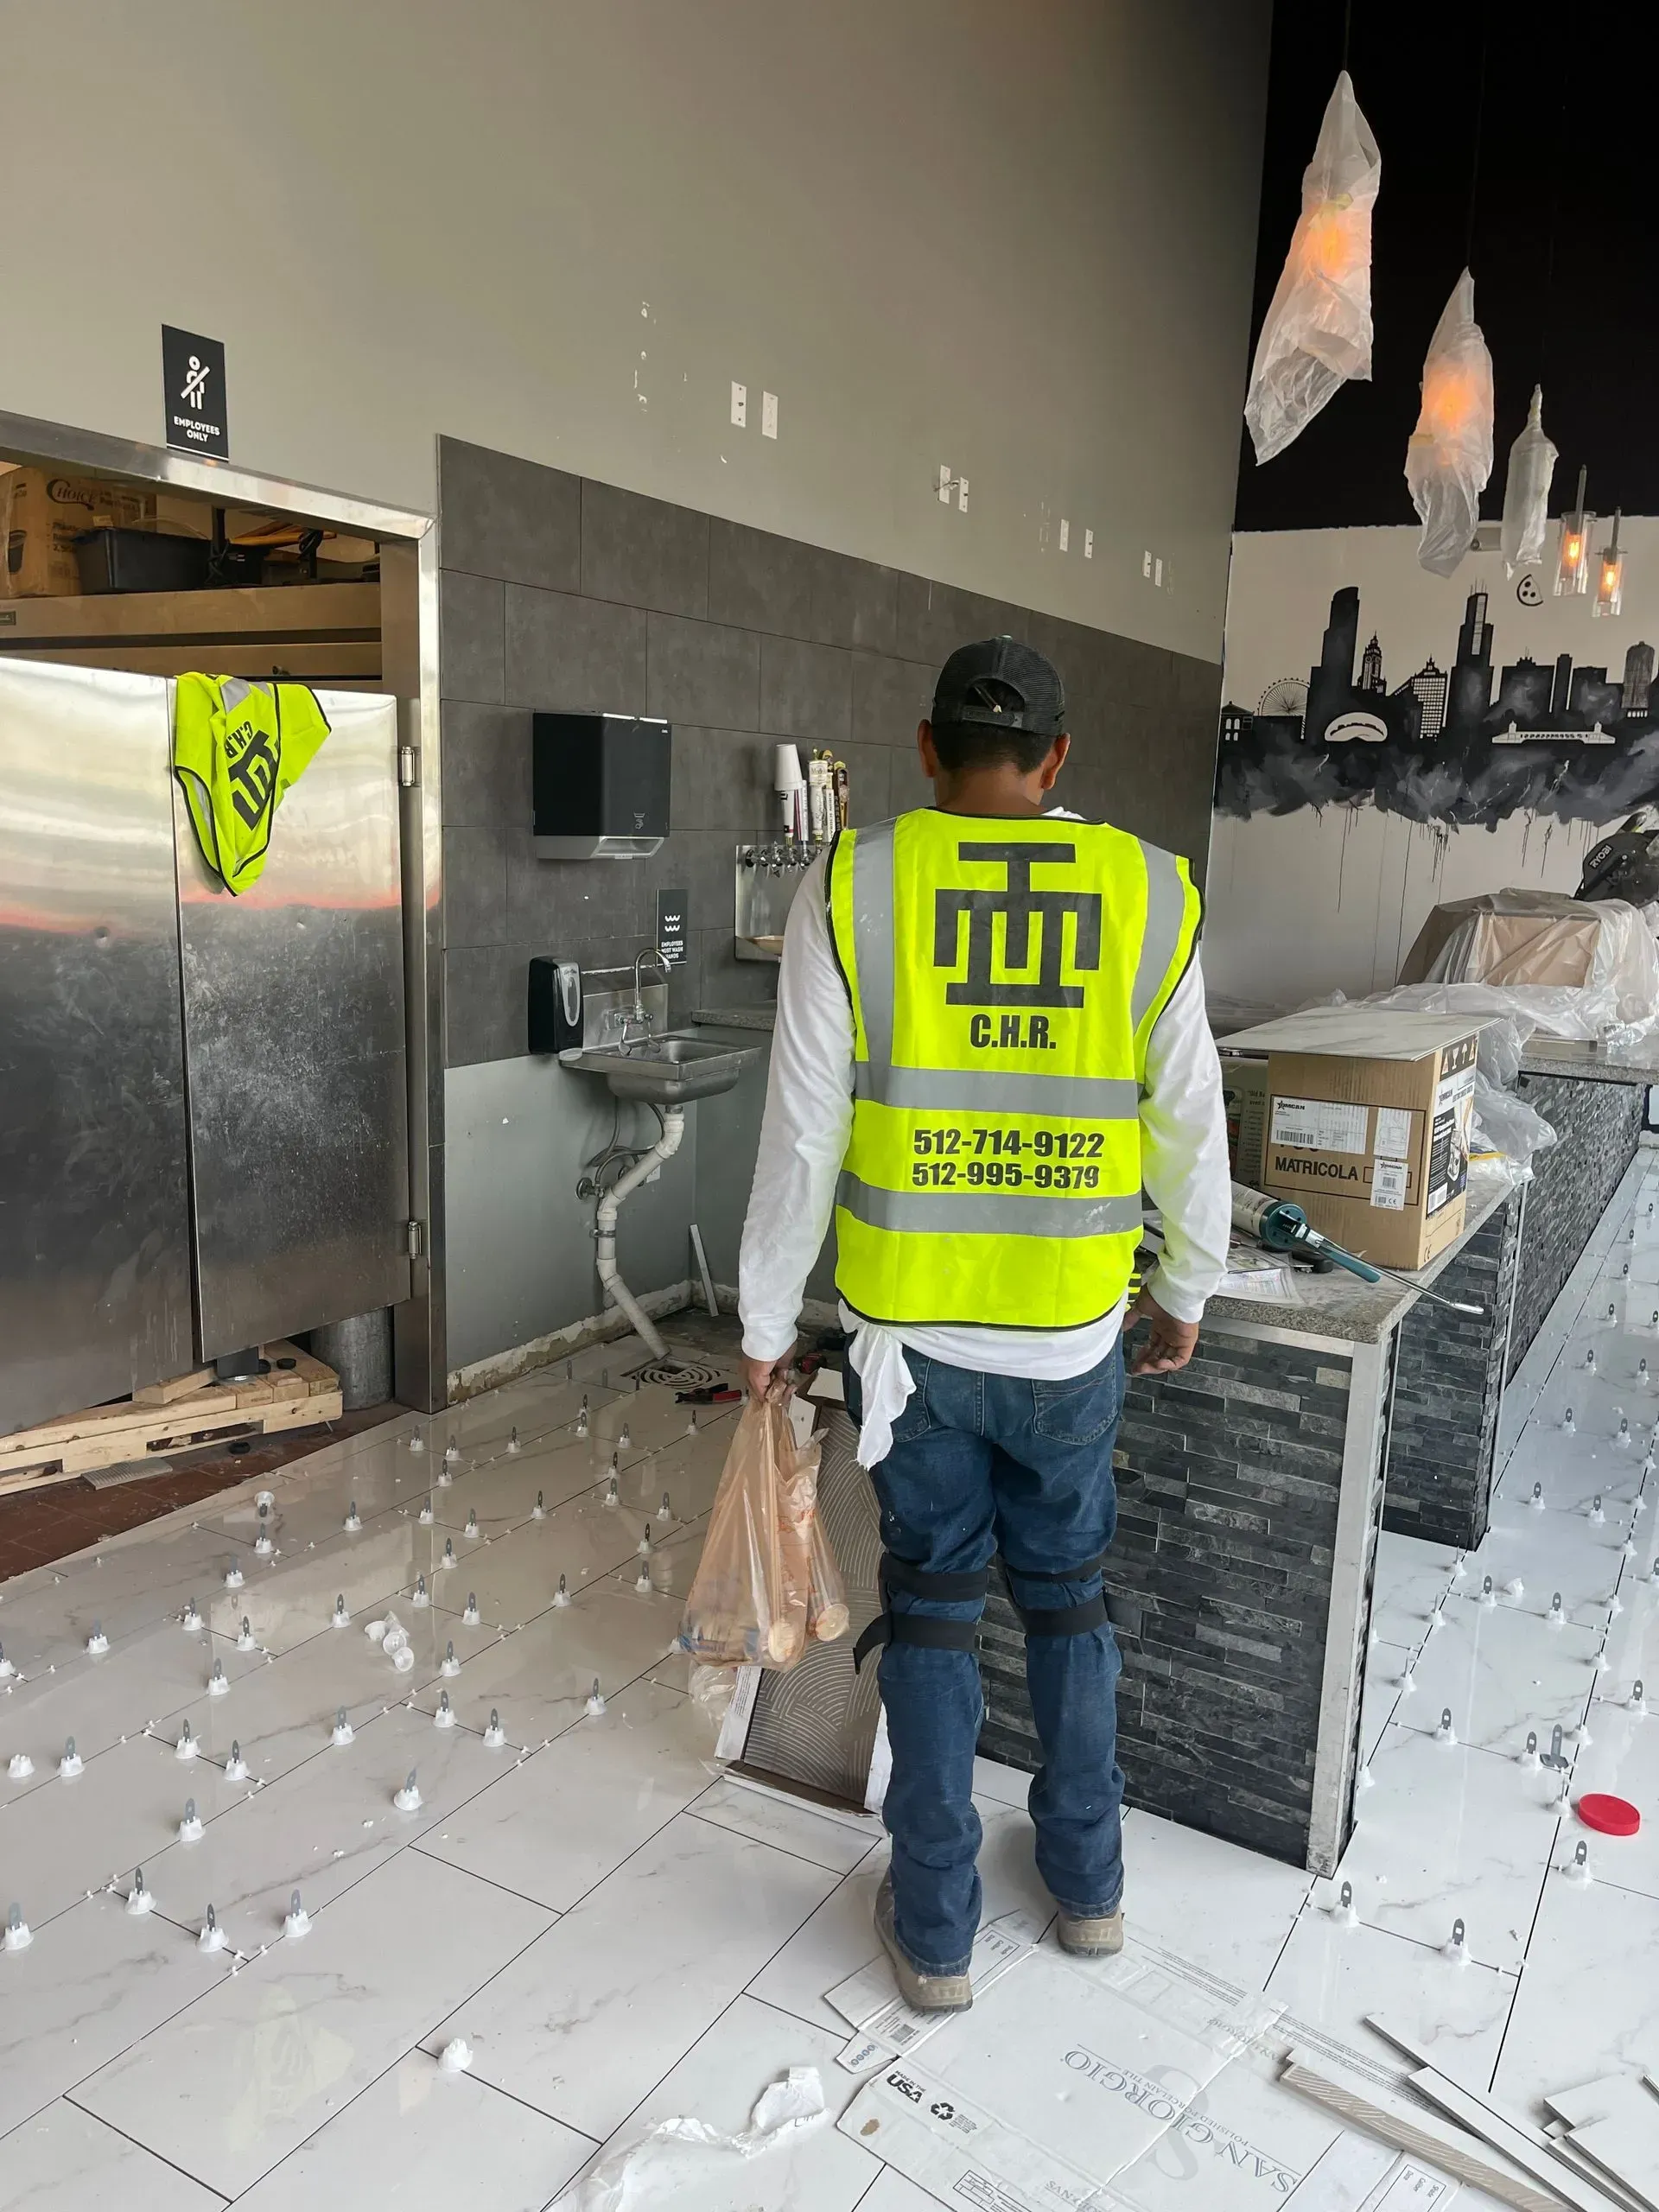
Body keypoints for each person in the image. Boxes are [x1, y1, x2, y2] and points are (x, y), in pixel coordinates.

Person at [737, 637, 1230, 2011]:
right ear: (1059, 760)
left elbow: (800, 1133)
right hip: (1072, 1337)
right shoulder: (1144, 890)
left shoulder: (854, 884)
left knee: (935, 1601)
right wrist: (1187, 1283)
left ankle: (939, 1926)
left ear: (925, 748)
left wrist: (767, 1318)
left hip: (913, 1348)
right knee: (1070, 1597)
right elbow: (1191, 1116)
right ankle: (1088, 1888)